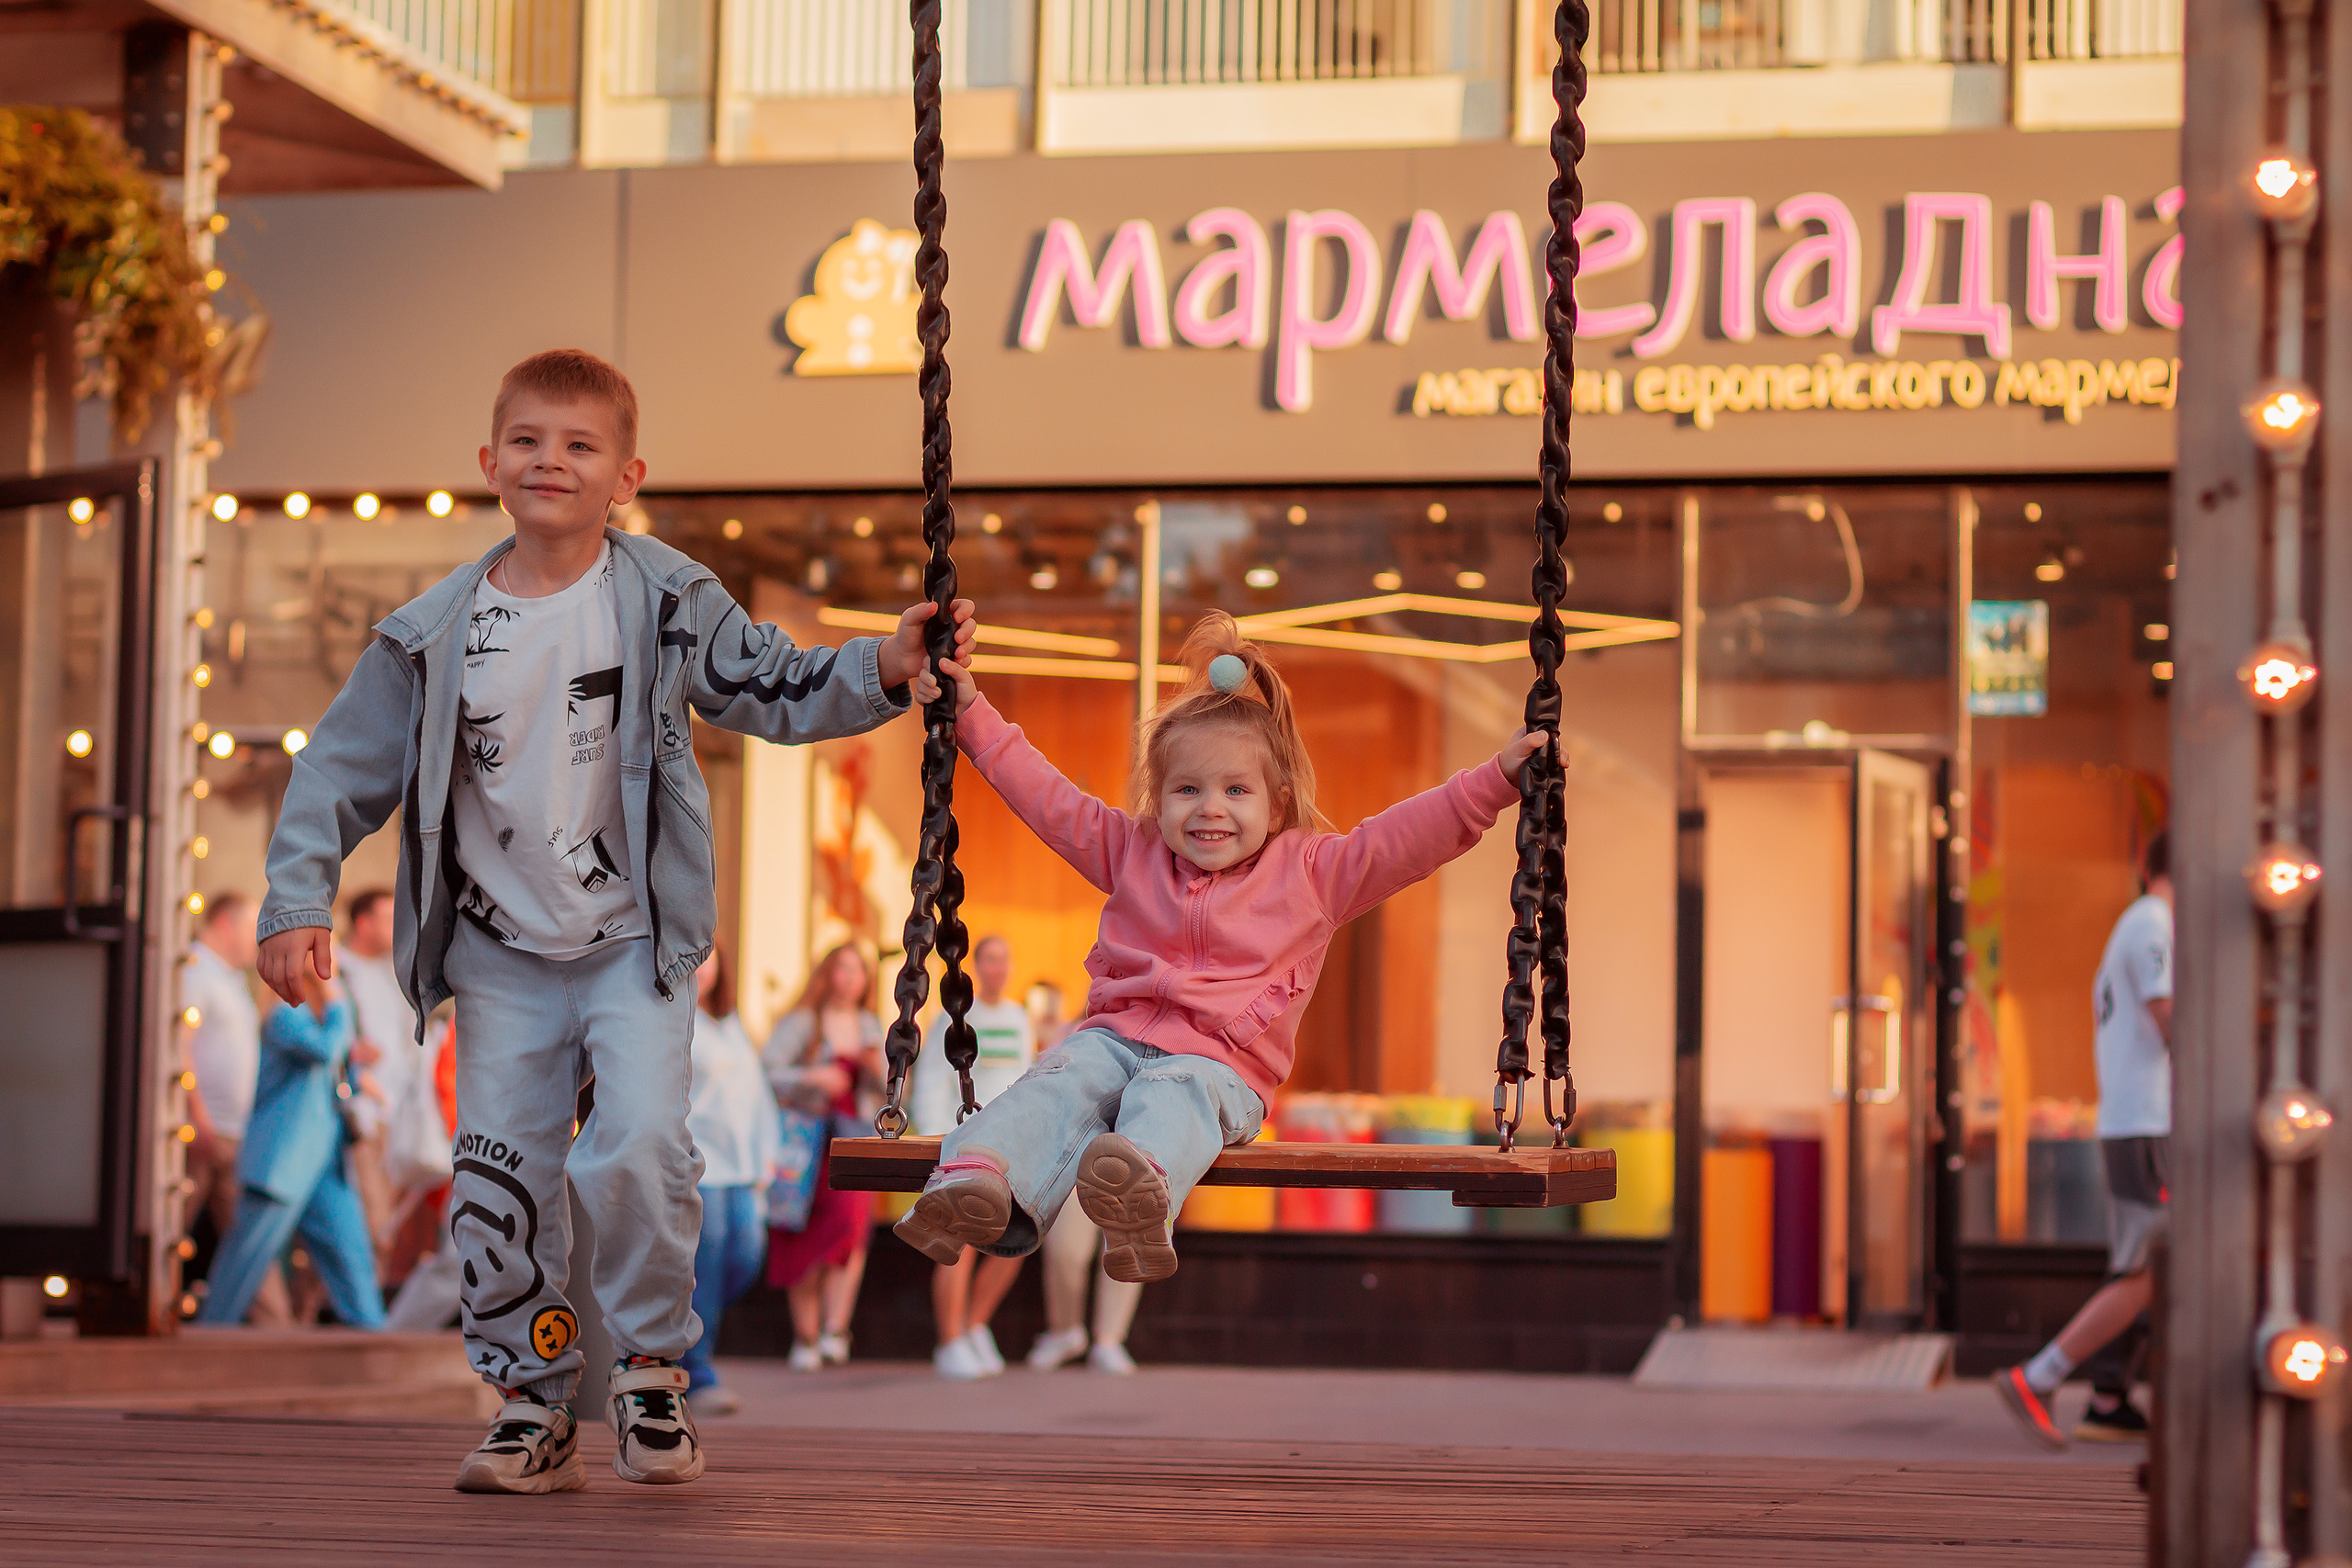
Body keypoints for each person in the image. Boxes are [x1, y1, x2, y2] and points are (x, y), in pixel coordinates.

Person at [254, 347, 973, 1495]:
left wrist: (884, 666)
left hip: (634, 943)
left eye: (579, 445)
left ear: (626, 475)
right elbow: (337, 773)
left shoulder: (665, 597)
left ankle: (647, 1370)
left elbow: (767, 682)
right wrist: (300, 898)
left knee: (641, 1145)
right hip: (496, 954)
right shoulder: (428, 634)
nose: (551, 461)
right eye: (528, 441)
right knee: (499, 1178)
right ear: (489, 463)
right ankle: (530, 1400)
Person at [895, 611, 1545, 1288]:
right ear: (1158, 796)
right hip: (1114, 1039)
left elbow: (1405, 837)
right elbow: (1047, 797)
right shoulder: (1132, 851)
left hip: (1223, 1068)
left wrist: (1497, 780)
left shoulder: (1312, 874)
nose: (1211, 809)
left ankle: (1139, 1189)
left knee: (1178, 1088)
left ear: (1276, 801)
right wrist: (970, 716)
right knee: (1060, 1077)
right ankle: (975, 1178)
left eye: (1237, 790)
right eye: (1188, 789)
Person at [1996, 829, 2173, 1449]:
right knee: (2148, 1270)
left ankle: (2107, 1396)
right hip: (2149, 1123)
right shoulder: (2154, 920)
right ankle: (2040, 1374)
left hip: (2138, 1123)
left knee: (2144, 1264)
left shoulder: (2137, 922)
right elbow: (2170, 1013)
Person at [196, 956, 386, 1332]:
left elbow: (332, 1069)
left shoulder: (321, 1023)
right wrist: (337, 1002)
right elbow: (325, 1050)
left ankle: (375, 1340)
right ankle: (209, 1336)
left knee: (350, 1254)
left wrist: (360, 1077)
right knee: (244, 1259)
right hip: (282, 1161)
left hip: (326, 1164)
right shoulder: (284, 1017)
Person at [912, 933, 1035, 1380]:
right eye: (990, 960)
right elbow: (931, 1080)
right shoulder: (955, 1017)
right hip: (964, 1142)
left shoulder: (1020, 1018)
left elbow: (1026, 1076)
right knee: (959, 1240)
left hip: (1012, 1144)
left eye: (1005, 959)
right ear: (976, 966)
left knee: (1015, 1238)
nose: (997, 968)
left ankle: (975, 1324)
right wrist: (933, 1135)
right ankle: (949, 1340)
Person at [763, 942, 886, 1371]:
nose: (850, 977)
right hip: (805, 1143)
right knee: (802, 1232)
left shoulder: (872, 1025)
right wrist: (813, 1077)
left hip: (855, 1141)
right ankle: (807, 1335)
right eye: (842, 968)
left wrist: (879, 1069)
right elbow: (767, 1072)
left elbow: (896, 1090)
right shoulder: (803, 1022)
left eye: (858, 969)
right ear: (827, 973)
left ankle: (836, 1328)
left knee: (850, 1232)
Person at [179, 891, 293, 1327]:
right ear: (224, 923)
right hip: (202, 1129)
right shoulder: (195, 971)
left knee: (247, 1236)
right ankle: (152, 1312)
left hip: (232, 1132)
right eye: (251, 927)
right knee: (174, 1228)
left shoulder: (230, 980)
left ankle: (276, 1328)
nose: (256, 939)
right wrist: (196, 1115)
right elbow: (180, 1047)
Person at [682, 946, 778, 1415]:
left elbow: (756, 1093)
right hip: (700, 1166)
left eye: (710, 957)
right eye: (695, 957)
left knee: (745, 1256)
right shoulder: (670, 1022)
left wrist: (768, 1155)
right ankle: (696, 1374)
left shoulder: (730, 1024)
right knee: (709, 1265)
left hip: (741, 1168)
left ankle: (680, 1341)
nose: (704, 966)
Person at [334, 888, 403, 1260]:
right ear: (363, 923)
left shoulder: (388, 974)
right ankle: (366, 1317)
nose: (397, 927)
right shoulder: (336, 968)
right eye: (389, 919)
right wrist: (350, 1052)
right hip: (358, 1117)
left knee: (380, 1225)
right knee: (373, 1226)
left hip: (389, 1116)